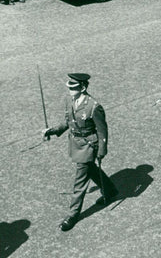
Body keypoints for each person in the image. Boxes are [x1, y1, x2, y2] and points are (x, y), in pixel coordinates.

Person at [42, 73, 118, 231]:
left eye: (74, 87)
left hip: (88, 145)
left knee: (80, 181)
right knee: (90, 169)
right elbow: (68, 122)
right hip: (75, 143)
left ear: (83, 88)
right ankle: (110, 190)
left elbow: (102, 130)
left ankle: (73, 214)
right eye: (69, 87)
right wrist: (52, 131)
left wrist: (102, 149)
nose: (70, 90)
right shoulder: (69, 101)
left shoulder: (93, 106)